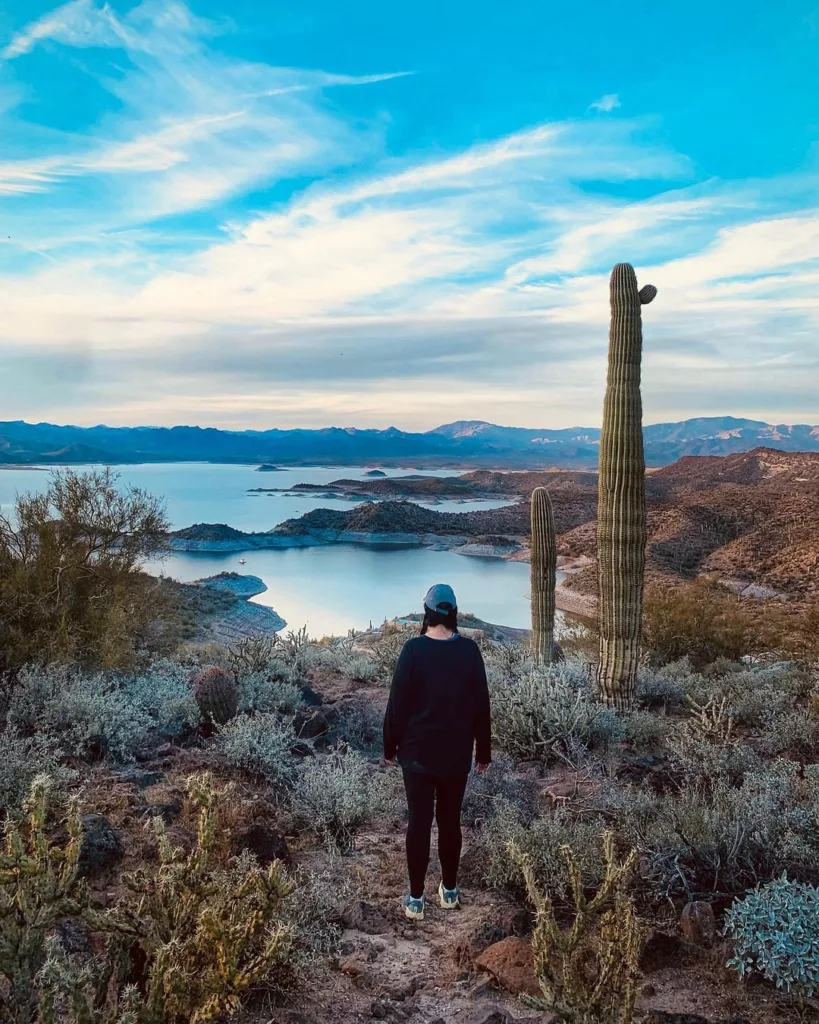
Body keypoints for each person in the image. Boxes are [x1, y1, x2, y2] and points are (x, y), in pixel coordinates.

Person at [383, 583, 491, 920]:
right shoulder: (470, 651)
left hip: (416, 756)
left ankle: (416, 899)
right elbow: (481, 707)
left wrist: (389, 746)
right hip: (455, 756)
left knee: (418, 823)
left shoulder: (413, 650)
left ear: (426, 612)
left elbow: (396, 706)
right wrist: (483, 752)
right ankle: (449, 890)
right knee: (449, 822)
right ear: (454, 613)